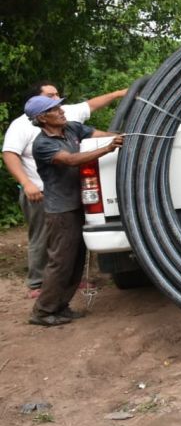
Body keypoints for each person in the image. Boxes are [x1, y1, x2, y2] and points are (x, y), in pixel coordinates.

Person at [2, 81, 126, 298]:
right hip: (45, 195)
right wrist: (27, 183)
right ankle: (39, 287)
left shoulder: (66, 123)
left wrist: (122, 131)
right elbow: (68, 159)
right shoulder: (34, 136)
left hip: (71, 195)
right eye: (51, 97)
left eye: (58, 97)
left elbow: (93, 119)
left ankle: (69, 286)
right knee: (49, 244)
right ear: (40, 112)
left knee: (72, 245)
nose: (59, 104)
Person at [25, 95, 123, 326]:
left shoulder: (71, 128)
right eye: (54, 109)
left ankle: (61, 306)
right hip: (61, 210)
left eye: (59, 106)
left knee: (77, 260)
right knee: (61, 262)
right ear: (42, 118)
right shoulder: (43, 144)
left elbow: (99, 134)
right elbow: (71, 160)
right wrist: (109, 148)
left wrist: (120, 137)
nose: (61, 110)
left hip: (79, 204)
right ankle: (42, 312)